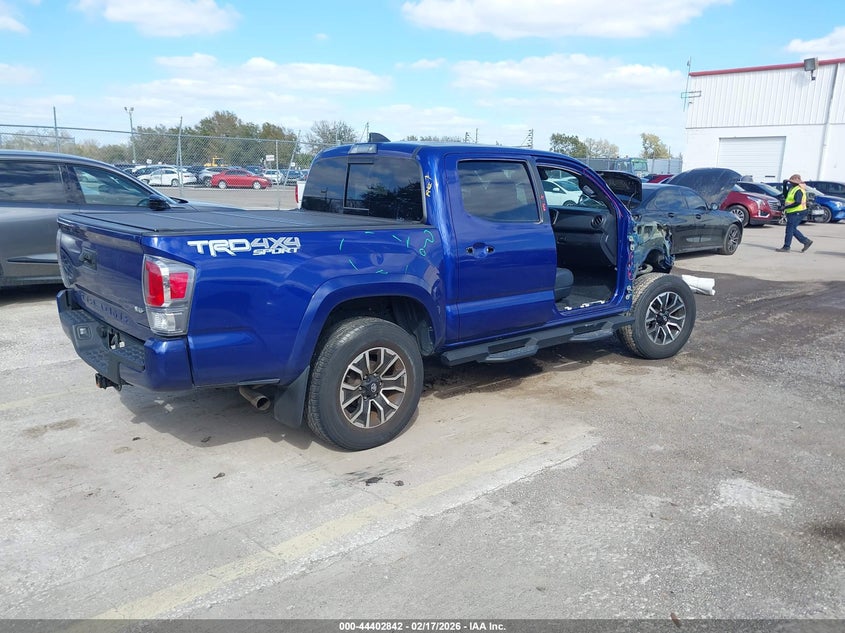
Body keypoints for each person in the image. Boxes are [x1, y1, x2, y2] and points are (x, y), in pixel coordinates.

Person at [776, 174, 813, 252]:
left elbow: (798, 202)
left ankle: (787, 247)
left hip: (797, 212)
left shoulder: (798, 190)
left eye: (791, 182)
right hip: (793, 211)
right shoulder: (792, 188)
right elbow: (786, 196)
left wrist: (785, 207)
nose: (790, 183)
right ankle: (806, 241)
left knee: (790, 229)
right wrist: (784, 186)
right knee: (792, 229)